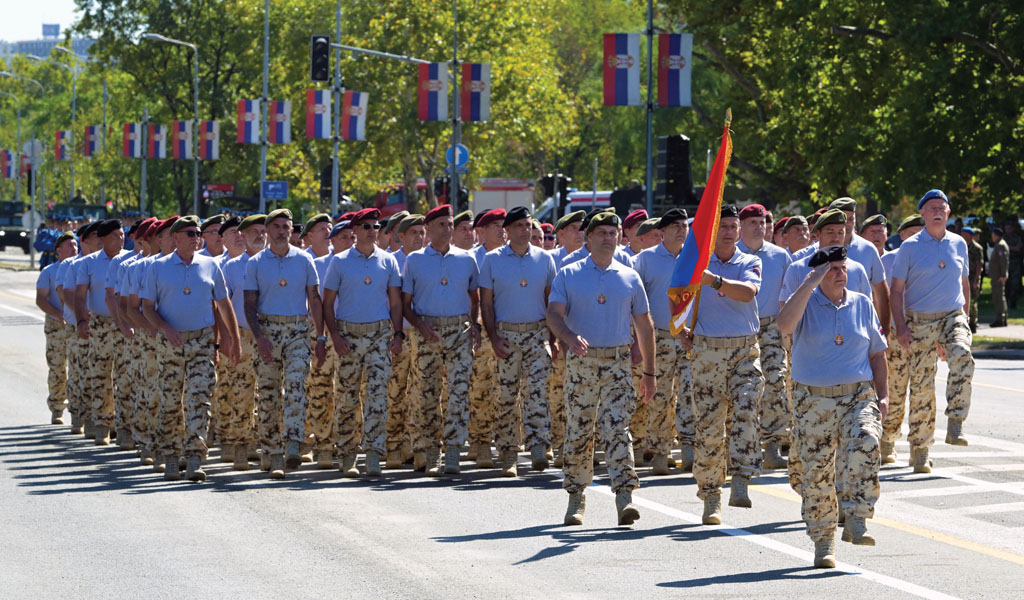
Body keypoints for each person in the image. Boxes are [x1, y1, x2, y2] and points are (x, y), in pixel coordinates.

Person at [777, 245, 887, 569]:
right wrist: (809, 283)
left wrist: (884, 395)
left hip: (857, 396)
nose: (841, 274)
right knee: (817, 473)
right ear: (820, 274)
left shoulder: (862, 304)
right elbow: (783, 325)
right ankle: (823, 541)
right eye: (833, 269)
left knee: (867, 441)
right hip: (813, 400)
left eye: (843, 268)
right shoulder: (805, 303)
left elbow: (878, 354)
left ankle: (856, 515)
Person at [547, 211, 655, 526]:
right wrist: (567, 336)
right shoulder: (569, 273)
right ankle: (576, 498)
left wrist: (650, 373)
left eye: (613, 232)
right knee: (579, 430)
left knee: (618, 430)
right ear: (590, 238)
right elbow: (553, 314)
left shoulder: (629, 275)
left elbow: (645, 327)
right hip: (583, 362)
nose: (608, 238)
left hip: (619, 363)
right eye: (602, 233)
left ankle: (625, 498)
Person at [680, 204, 764, 524]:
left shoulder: (749, 261)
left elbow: (747, 293)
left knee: (745, 407)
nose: (728, 231)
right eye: (722, 226)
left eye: (733, 226)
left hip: (744, 351)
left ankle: (741, 478)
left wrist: (712, 280)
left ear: (739, 231)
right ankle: (711, 494)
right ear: (712, 232)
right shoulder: (694, 263)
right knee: (710, 428)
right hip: (707, 354)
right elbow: (676, 297)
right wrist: (681, 331)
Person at [141, 216, 241, 481]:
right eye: (190, 233)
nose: (196, 238)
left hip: (202, 341)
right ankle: (171, 457)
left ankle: (195, 458)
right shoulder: (158, 267)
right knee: (170, 401)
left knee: (199, 400)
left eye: (198, 233)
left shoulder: (210, 265)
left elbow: (223, 303)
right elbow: (147, 308)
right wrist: (165, 328)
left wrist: (232, 339)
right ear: (175, 238)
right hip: (171, 343)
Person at [890, 189, 974, 473]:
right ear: (923, 214)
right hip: (920, 321)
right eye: (932, 207)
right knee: (922, 388)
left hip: (953, 316)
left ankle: (956, 422)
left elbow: (965, 284)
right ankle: (921, 449)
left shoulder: (959, 243)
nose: (938, 211)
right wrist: (901, 327)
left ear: (949, 213)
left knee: (963, 355)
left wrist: (967, 317)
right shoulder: (910, 247)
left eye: (943, 207)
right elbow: (896, 290)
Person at [243, 208, 325, 479]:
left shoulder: (304, 261)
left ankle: (292, 442)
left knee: (296, 384)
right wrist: (260, 338)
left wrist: (321, 337)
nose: (281, 231)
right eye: (276, 226)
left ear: (292, 231)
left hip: (298, 332)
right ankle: (271, 453)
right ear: (267, 230)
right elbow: (249, 305)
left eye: (286, 227)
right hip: (267, 330)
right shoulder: (255, 263)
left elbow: (314, 300)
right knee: (267, 394)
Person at [323, 208, 404, 477]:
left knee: (378, 397)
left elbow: (395, 301)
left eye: (376, 226)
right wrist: (334, 336)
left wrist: (397, 334)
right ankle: (347, 455)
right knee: (347, 397)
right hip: (348, 335)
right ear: (355, 231)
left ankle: (373, 453)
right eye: (367, 226)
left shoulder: (388, 261)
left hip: (379, 335)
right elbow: (328, 302)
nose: (372, 231)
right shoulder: (340, 261)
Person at [401, 204, 481, 476]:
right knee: (426, 393)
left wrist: (475, 327)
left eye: (450, 225)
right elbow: (404, 304)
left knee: (458, 392)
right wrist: (420, 326)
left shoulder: (467, 259)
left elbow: (475, 298)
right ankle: (429, 451)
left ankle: (454, 451)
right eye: (443, 225)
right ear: (429, 229)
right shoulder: (415, 260)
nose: (448, 230)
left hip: (458, 331)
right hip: (427, 332)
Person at [479, 206, 557, 477]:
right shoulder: (492, 259)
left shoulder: (545, 259)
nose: (525, 230)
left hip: (537, 334)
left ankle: (538, 447)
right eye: (520, 226)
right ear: (507, 231)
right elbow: (486, 303)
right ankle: (508, 452)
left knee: (537, 394)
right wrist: (493, 337)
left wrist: (553, 338)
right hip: (506, 334)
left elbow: (550, 301)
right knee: (506, 396)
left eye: (528, 225)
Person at [633, 208, 695, 474]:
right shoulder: (645, 259)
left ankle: (690, 449)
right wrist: (636, 340)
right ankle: (660, 451)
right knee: (659, 396)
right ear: (662, 231)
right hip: (658, 336)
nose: (682, 230)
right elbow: (634, 300)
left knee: (690, 395)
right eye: (676, 226)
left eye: (684, 225)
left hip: (690, 337)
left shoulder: (696, 258)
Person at [736, 203, 794, 470]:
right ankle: (738, 446)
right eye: (753, 223)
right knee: (742, 388)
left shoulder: (780, 256)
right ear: (741, 227)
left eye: (762, 223)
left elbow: (791, 293)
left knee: (775, 382)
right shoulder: (733, 255)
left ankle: (771, 445)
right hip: (740, 327)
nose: (759, 228)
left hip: (772, 327)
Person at [73, 219, 128, 445]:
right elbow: (79, 295)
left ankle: (124, 426)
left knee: (126, 375)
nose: (121, 239)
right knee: (101, 374)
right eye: (115, 235)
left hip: (126, 322)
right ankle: (102, 424)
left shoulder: (131, 260)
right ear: (102, 239)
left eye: (123, 234)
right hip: (100, 324)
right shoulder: (89, 263)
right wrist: (81, 321)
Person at [219, 214, 267, 470]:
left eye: (263, 231)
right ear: (244, 235)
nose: (260, 236)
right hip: (242, 334)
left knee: (269, 392)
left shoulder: (273, 263)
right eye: (254, 232)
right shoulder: (232, 266)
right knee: (241, 391)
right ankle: (238, 446)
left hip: (271, 334)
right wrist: (225, 336)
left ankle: (257, 444)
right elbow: (221, 304)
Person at [878, 215, 923, 464]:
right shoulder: (888, 261)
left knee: (923, 392)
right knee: (895, 390)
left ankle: (920, 446)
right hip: (895, 333)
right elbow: (880, 299)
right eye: (913, 232)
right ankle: (888, 441)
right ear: (902, 235)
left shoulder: (928, 258)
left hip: (923, 331)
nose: (918, 236)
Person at [385, 213, 426, 468]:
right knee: (395, 391)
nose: (419, 238)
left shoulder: (428, 262)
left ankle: (416, 446)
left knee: (422, 392)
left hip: (423, 335)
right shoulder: (391, 262)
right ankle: (392, 445)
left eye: (422, 233)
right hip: (397, 333)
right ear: (401, 237)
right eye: (414, 233)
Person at [468, 208, 508, 467]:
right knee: (480, 388)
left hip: (507, 330)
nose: (502, 230)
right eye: (495, 225)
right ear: (481, 231)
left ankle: (507, 445)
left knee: (507, 389)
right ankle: (481, 443)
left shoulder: (510, 256)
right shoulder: (470, 259)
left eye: (503, 225)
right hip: (480, 332)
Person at [780, 210, 874, 305]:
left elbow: (866, 308)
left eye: (840, 232)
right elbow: (785, 309)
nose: (836, 237)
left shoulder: (857, 269)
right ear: (817, 235)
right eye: (830, 232)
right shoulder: (797, 269)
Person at [828, 198, 890, 335]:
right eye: (843, 218)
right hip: (824, 326)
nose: (847, 224)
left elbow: (881, 292)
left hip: (858, 327)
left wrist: (885, 332)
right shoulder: (816, 252)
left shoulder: (868, 249)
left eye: (851, 219)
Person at [36, 231, 78, 424]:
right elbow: (41, 299)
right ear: (59, 250)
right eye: (70, 245)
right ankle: (57, 407)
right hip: (56, 324)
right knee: (58, 368)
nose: (74, 248)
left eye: (75, 244)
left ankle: (79, 411)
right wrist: (61, 314)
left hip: (78, 324)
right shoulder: (49, 272)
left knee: (79, 368)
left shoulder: (81, 268)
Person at [989, 227, 1009, 327]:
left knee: (999, 298)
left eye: (992, 234)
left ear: (996, 235)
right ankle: (1003, 318)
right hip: (997, 276)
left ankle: (1000, 319)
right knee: (1000, 297)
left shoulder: (1000, 245)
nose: (991, 236)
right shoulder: (999, 244)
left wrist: (1003, 275)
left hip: (998, 277)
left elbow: (1003, 261)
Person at [1004, 219, 1022, 309]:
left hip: (1015, 263)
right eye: (1006, 228)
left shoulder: (1017, 238)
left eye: (1009, 228)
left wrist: (1007, 247)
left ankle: (1013, 303)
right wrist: (1011, 248)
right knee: (1006, 284)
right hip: (1005, 263)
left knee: (1015, 284)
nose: (1008, 230)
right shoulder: (1003, 238)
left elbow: (1018, 249)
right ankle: (1005, 303)